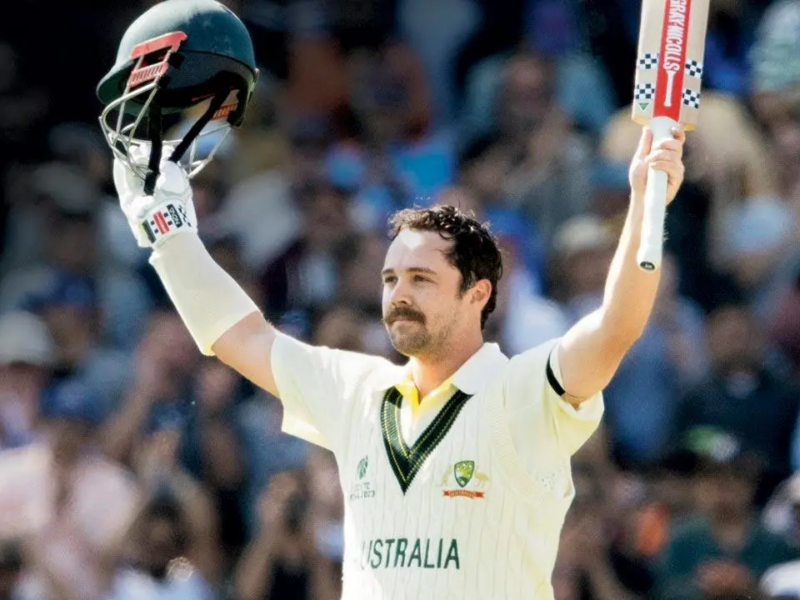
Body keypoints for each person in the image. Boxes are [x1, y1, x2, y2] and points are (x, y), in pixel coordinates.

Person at [111, 121, 685, 598]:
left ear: (477, 293)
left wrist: (645, 204)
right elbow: (239, 337)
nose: (398, 295)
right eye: (390, 279)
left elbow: (616, 326)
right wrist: (167, 231)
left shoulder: (524, 390)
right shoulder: (356, 389)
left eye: (420, 279)